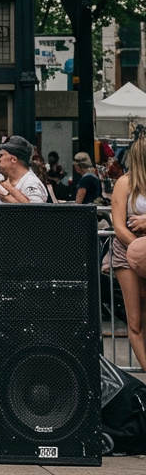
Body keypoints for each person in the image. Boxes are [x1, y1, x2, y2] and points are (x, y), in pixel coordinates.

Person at [104, 135, 146, 372]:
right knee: (136, 318)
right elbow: (118, 227)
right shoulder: (125, 183)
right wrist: (137, 250)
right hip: (127, 251)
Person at [0, 136, 48, 203]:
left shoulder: (31, 184)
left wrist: (6, 192)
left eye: (0, 156)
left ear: (14, 159)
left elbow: (34, 211)